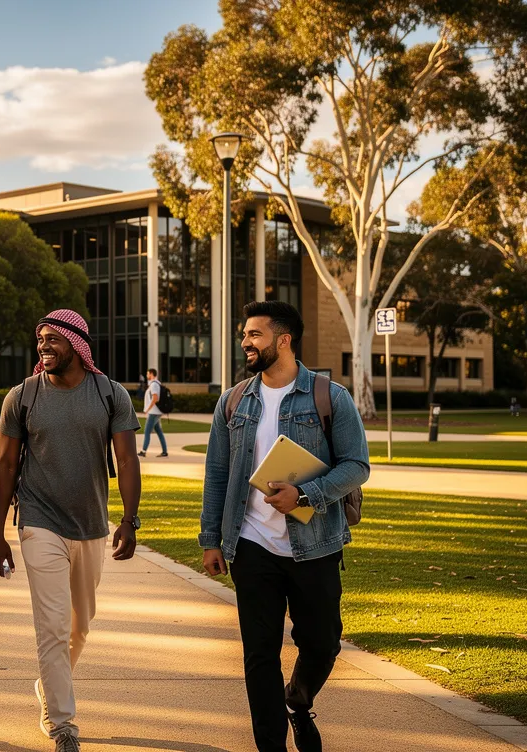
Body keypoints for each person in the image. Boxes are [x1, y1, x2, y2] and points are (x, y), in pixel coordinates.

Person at [200, 301, 369, 752]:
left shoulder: (329, 396)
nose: (245, 343)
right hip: (251, 545)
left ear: (283, 339)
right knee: (259, 655)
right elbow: (217, 472)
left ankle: (298, 699)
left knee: (322, 642)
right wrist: (210, 539)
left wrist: (306, 495)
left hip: (315, 543)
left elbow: (357, 465)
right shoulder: (234, 400)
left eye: (254, 334)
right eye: (244, 335)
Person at [0, 309, 142, 752]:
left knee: (80, 625)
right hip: (39, 521)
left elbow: (128, 460)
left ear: (77, 343)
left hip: (92, 523)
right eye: (40, 340)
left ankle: (48, 683)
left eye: (52, 339)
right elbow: (5, 465)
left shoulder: (109, 393)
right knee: (53, 626)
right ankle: (62, 723)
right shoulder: (23, 396)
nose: (43, 347)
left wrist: (130, 520)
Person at [138, 368, 168, 458]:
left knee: (147, 431)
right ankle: (164, 451)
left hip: (154, 412)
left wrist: (147, 409)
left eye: (147, 374)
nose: (147, 375)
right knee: (159, 431)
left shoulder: (154, 385)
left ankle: (143, 451)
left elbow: (155, 398)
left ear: (151, 374)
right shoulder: (154, 384)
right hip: (155, 411)